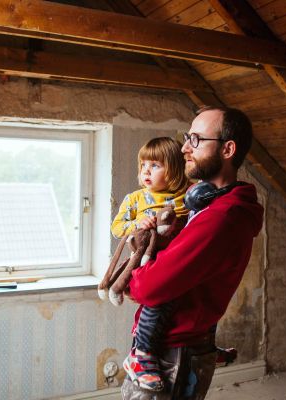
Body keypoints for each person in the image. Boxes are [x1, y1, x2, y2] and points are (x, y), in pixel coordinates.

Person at [121, 106, 264, 400]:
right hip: (178, 342)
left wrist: (133, 276)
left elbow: (147, 288)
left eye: (196, 140)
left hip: (173, 352)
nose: (185, 147)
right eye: (188, 137)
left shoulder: (221, 217)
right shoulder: (208, 204)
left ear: (228, 149)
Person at [111, 136, 190, 391]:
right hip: (146, 261)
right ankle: (141, 354)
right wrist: (137, 225)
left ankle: (196, 345)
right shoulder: (135, 199)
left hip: (176, 259)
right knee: (158, 303)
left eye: (155, 165)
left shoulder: (183, 197)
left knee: (182, 306)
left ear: (175, 170)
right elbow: (117, 227)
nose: (146, 171)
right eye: (143, 165)